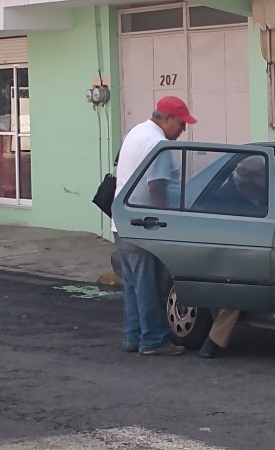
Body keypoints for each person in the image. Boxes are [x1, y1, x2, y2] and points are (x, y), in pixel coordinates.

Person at [112, 95, 196, 356]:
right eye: (181, 123)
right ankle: (154, 341)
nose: (183, 130)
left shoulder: (136, 132)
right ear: (168, 118)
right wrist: (165, 224)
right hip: (145, 226)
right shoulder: (158, 143)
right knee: (149, 285)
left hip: (122, 223)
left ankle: (133, 336)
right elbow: (157, 186)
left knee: (133, 285)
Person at [197, 155, 268, 359]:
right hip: (231, 259)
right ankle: (214, 340)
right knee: (239, 289)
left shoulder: (266, 193)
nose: (257, 189)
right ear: (243, 183)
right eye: (254, 186)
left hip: (261, 253)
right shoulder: (223, 200)